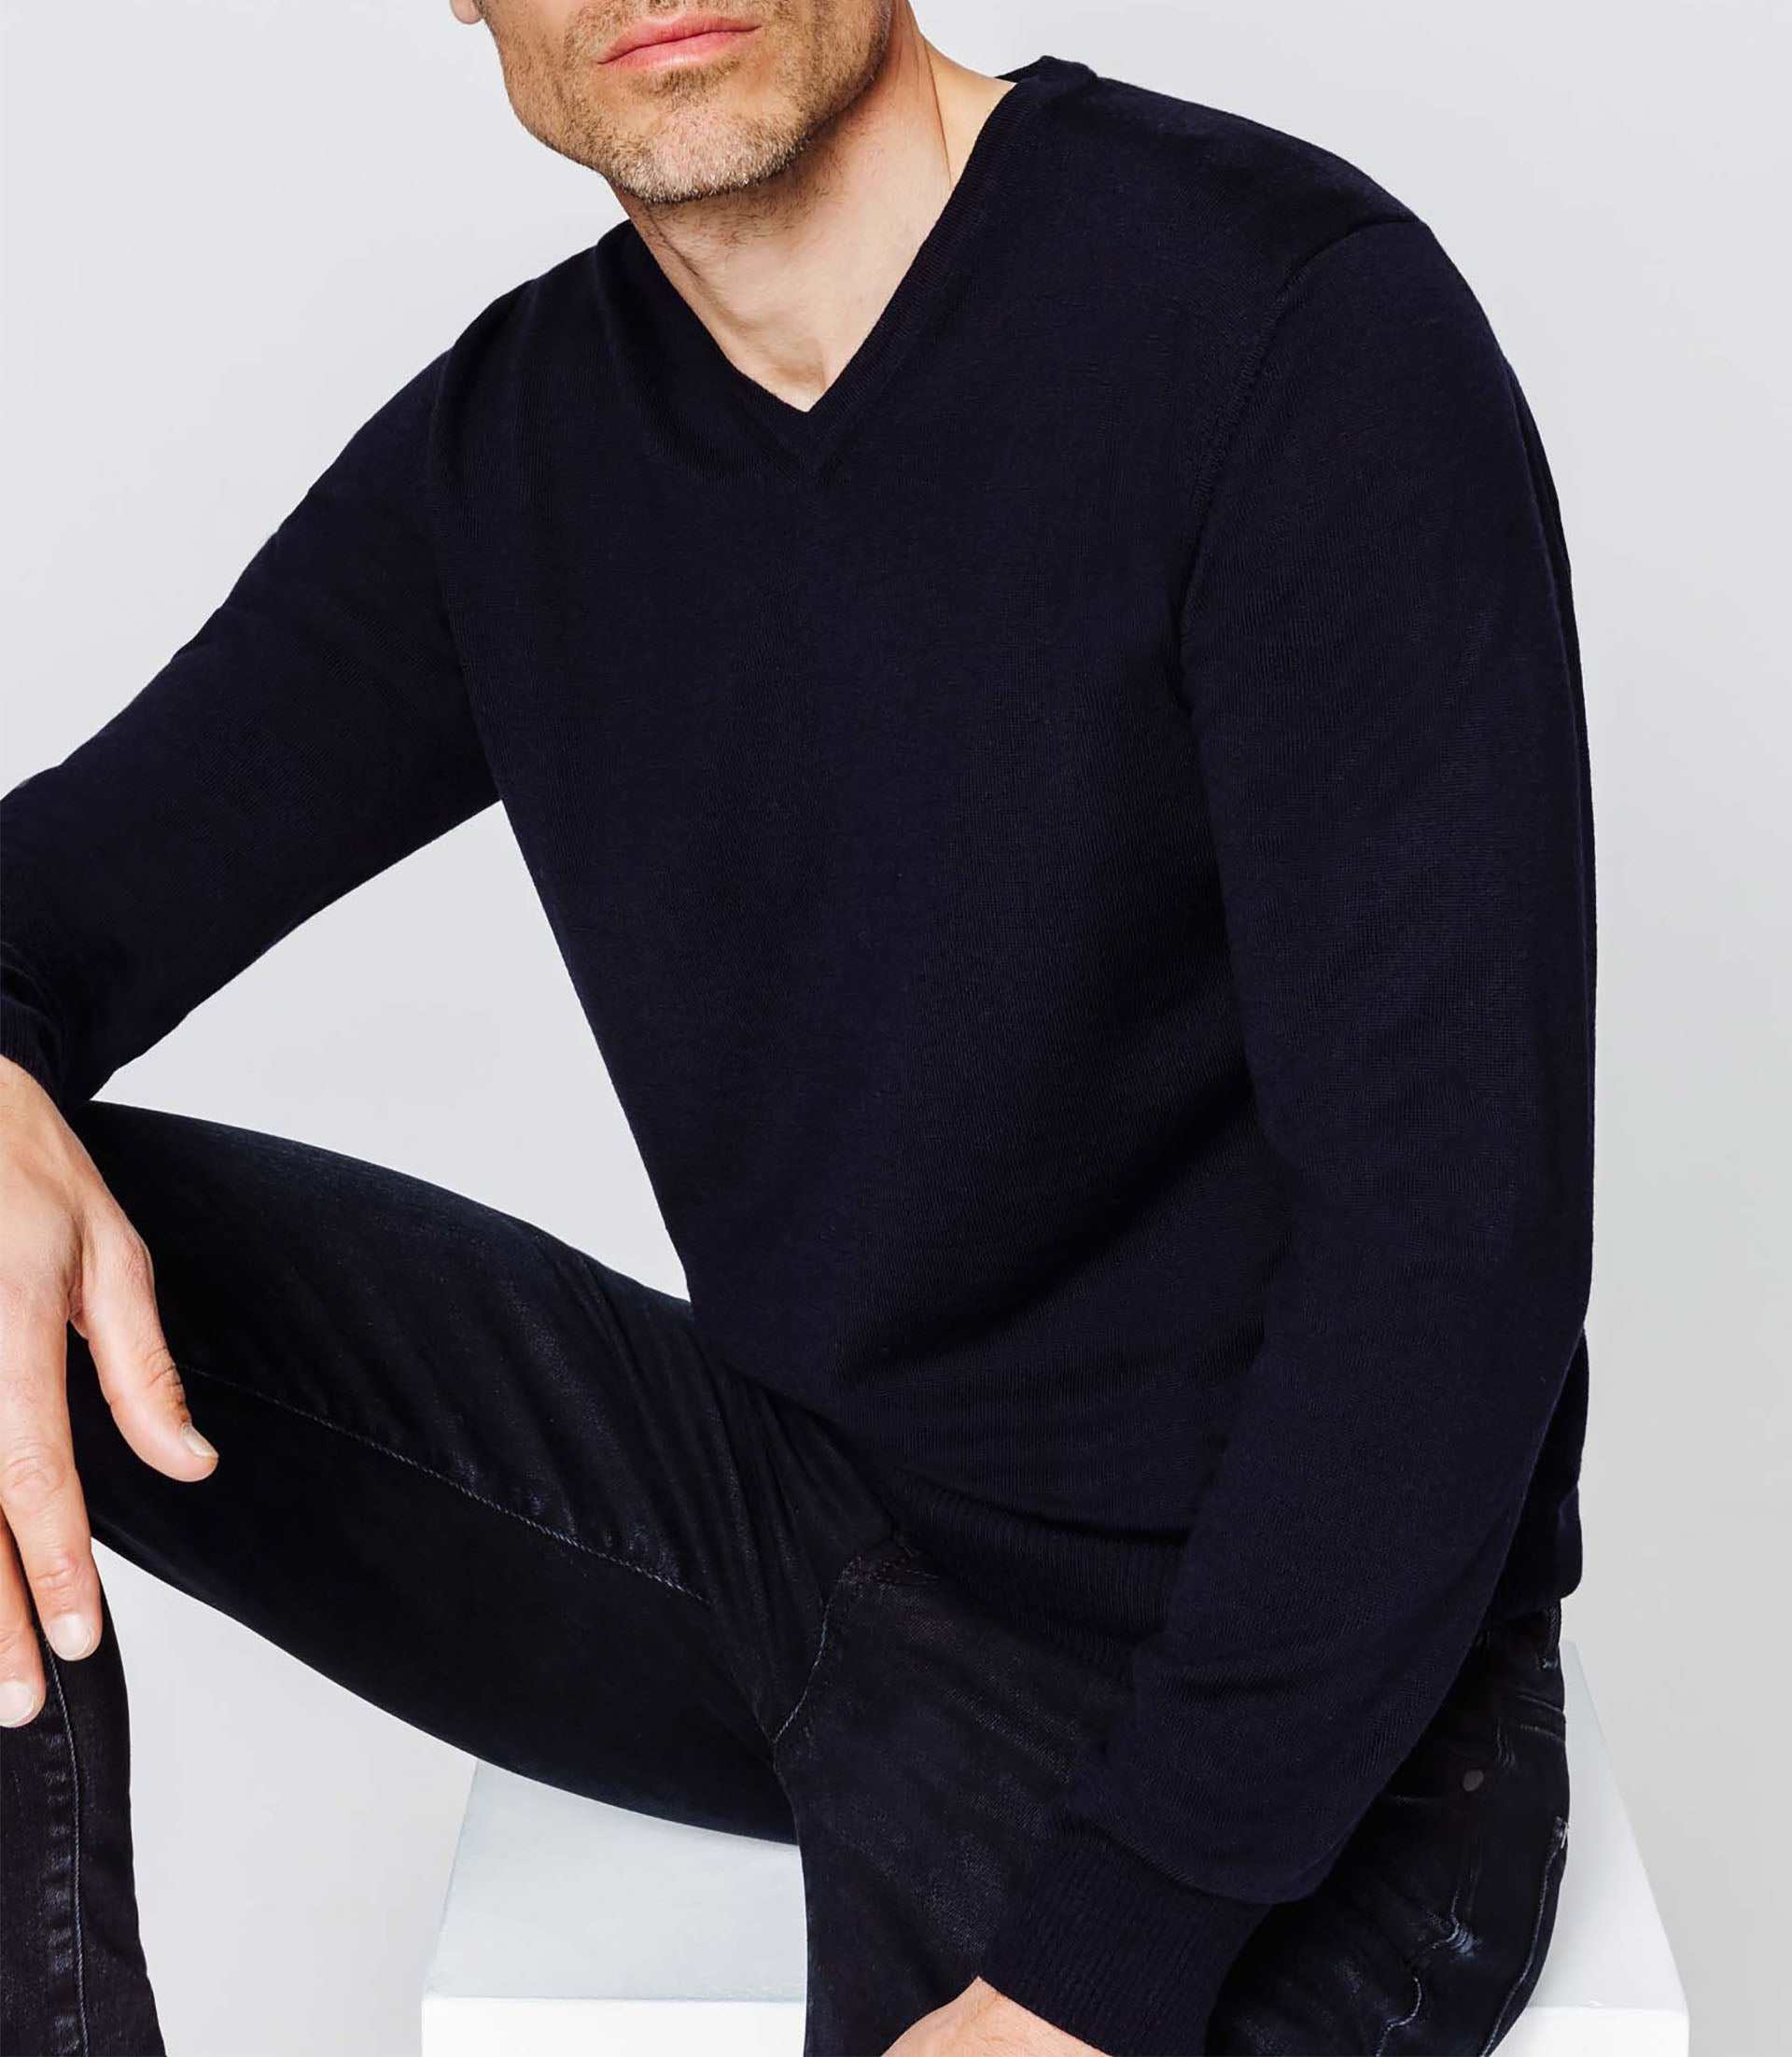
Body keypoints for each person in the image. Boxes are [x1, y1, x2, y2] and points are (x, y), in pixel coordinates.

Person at [0, 3, 1595, 2052]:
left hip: (1306, 1730)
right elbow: (74, 886)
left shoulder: (1286, 324)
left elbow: (1450, 1252)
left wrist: (1104, 1960)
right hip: (803, 1545)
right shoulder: (517, 455)